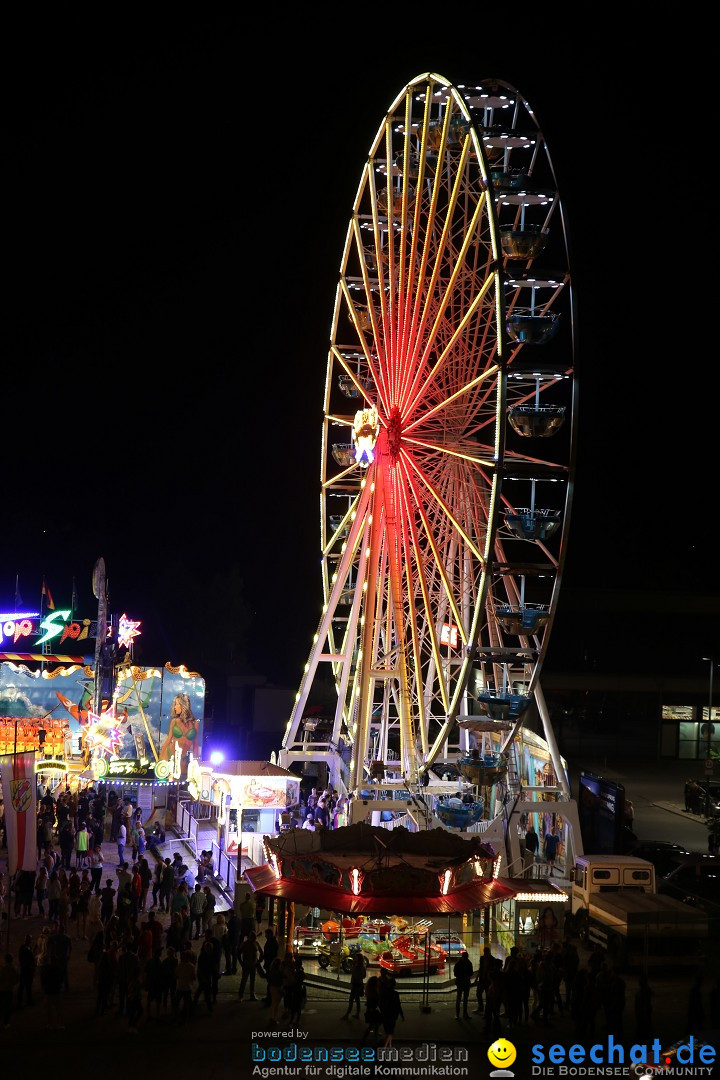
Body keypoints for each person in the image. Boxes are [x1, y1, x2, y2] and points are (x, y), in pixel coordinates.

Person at [159, 693, 199, 771]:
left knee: (181, 781)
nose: (174, 707)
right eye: (175, 705)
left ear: (184, 706)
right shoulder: (175, 721)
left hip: (183, 759)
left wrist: (196, 762)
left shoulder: (195, 724)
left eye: (177, 704)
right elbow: (168, 740)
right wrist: (160, 758)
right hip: (169, 755)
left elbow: (195, 745)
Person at [238, 930, 262, 1001]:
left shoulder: (253, 943)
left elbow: (261, 952)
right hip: (247, 964)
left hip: (251, 964)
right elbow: (238, 953)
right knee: (245, 980)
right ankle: (241, 995)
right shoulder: (245, 944)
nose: (254, 939)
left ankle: (251, 994)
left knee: (251, 980)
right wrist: (241, 962)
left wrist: (259, 961)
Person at [342, 951, 366, 1019]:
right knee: (357, 999)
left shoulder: (357, 966)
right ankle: (357, 1014)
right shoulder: (363, 967)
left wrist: (353, 966)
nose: (355, 959)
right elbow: (364, 976)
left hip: (356, 984)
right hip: (360, 983)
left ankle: (347, 1014)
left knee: (351, 999)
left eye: (356, 958)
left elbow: (351, 972)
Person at [453, 949, 473, 1020]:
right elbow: (471, 973)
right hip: (465, 982)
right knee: (464, 999)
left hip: (461, 982)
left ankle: (458, 1014)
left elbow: (455, 973)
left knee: (460, 998)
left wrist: (461, 975)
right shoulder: (469, 963)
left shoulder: (458, 963)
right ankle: (463, 1014)